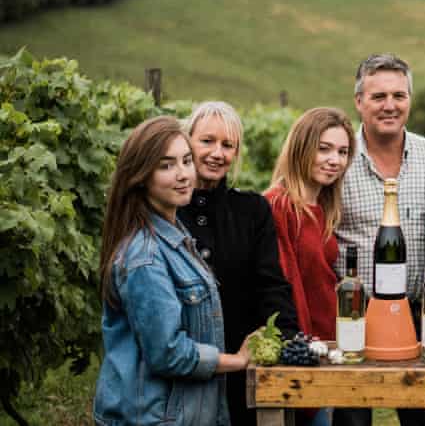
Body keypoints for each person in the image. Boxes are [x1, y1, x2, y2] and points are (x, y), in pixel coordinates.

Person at [94, 116, 251, 426]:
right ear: (141, 177)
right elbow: (168, 353)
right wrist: (237, 361)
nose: (183, 175)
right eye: (166, 166)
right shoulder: (145, 257)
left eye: (186, 161)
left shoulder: (175, 236)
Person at [334, 54, 425, 426]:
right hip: (354, 314)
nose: (390, 105)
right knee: (352, 419)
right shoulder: (336, 161)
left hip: (419, 315)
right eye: (379, 96)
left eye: (399, 95)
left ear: (410, 100)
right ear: (359, 101)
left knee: (424, 419)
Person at [178, 101, 299, 426]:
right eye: (207, 141)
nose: (217, 152)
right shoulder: (166, 208)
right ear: (186, 141)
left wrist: (286, 336)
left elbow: (270, 283)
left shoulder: (252, 210)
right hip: (180, 368)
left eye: (227, 145)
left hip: (239, 363)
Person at [264, 107, 355, 426]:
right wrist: (303, 352)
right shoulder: (278, 206)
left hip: (328, 349)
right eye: (324, 148)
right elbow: (288, 285)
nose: (335, 160)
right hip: (303, 355)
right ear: (302, 147)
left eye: (343, 152)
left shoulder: (324, 210)